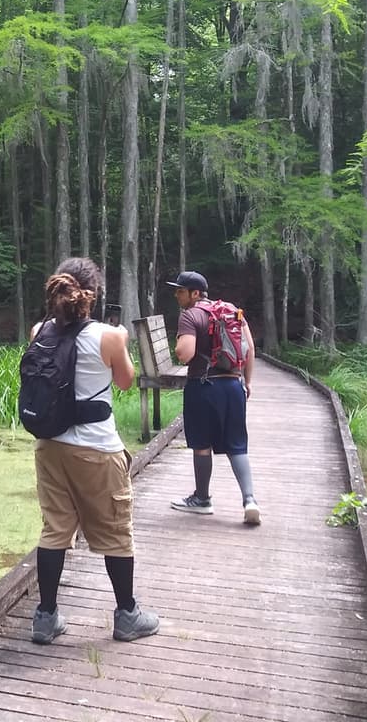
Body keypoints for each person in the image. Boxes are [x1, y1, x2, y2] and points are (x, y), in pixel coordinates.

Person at [30, 257, 160, 645]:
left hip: (50, 446)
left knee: (54, 529)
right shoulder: (109, 337)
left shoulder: (39, 331)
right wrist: (119, 341)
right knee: (116, 532)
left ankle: (45, 617)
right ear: (93, 294)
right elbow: (123, 381)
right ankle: (127, 615)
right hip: (96, 450)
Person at [166, 270, 261, 525]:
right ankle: (250, 499)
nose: (177, 294)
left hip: (203, 386)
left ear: (195, 294)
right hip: (233, 386)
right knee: (236, 444)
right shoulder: (231, 311)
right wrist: (247, 381)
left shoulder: (191, 315)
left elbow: (185, 354)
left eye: (181, 290)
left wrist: (178, 345)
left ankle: (202, 499)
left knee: (201, 444)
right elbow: (250, 349)